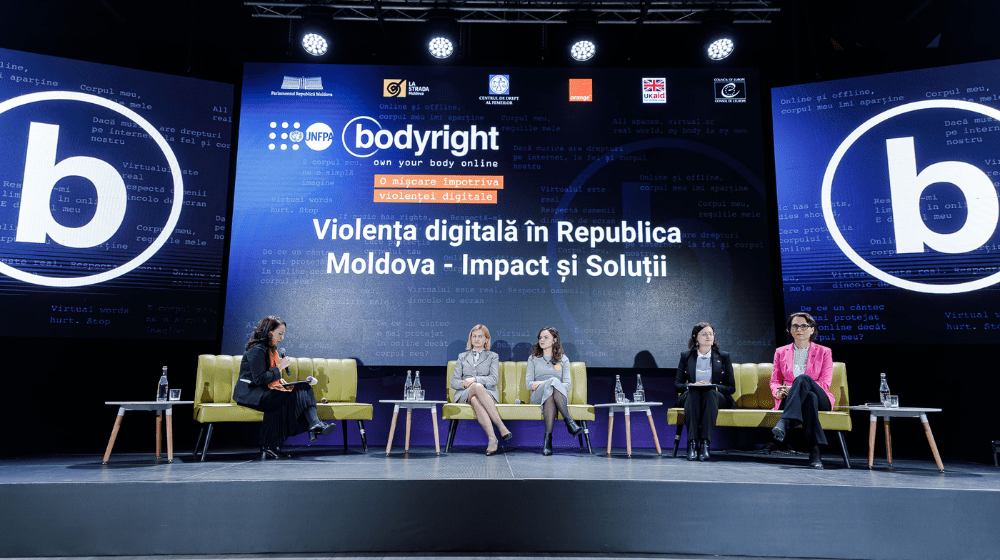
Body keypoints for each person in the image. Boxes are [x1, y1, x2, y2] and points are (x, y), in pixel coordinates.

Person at [232, 316, 335, 459]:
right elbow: (260, 379)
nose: (282, 337)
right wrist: (280, 366)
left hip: (265, 392)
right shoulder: (257, 350)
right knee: (299, 393)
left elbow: (269, 378)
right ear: (269, 332)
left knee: (302, 388)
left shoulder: (271, 350)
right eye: (280, 333)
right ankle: (313, 425)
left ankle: (273, 444)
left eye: (283, 334)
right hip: (251, 394)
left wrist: (282, 381)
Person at [770, 312, 835, 469]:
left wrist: (794, 387)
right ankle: (815, 454)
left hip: (822, 398)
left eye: (804, 326)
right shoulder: (780, 352)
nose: (799, 329)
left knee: (804, 379)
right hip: (794, 400)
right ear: (790, 330)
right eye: (795, 326)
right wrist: (777, 392)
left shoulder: (824, 352)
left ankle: (784, 422)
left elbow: (825, 384)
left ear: (812, 330)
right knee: (809, 399)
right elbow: (775, 381)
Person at [674, 322, 735, 461]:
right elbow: (677, 385)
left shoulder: (723, 356)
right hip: (691, 395)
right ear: (696, 337)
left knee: (709, 392)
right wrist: (692, 385)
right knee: (694, 392)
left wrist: (713, 386)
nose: (708, 337)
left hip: (716, 396)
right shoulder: (686, 356)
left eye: (711, 334)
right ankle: (692, 443)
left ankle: (705, 445)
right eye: (704, 334)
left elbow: (731, 387)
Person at [451, 324, 512, 455]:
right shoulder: (462, 357)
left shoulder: (493, 356)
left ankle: (492, 439)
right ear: (470, 339)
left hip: (487, 394)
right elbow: (454, 382)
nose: (477, 339)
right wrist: (466, 383)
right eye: (474, 336)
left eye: (480, 336)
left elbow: (493, 379)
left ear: (486, 339)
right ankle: (501, 427)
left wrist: (474, 379)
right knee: (475, 389)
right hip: (464, 394)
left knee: (475, 399)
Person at [526, 326, 583, 456]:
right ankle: (569, 422)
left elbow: (567, 385)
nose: (542, 340)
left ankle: (548, 441)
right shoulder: (533, 358)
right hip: (537, 396)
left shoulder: (563, 359)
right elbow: (529, 385)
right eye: (540, 337)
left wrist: (549, 383)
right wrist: (546, 383)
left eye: (546, 337)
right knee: (553, 381)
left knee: (551, 395)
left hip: (557, 396)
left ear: (554, 340)